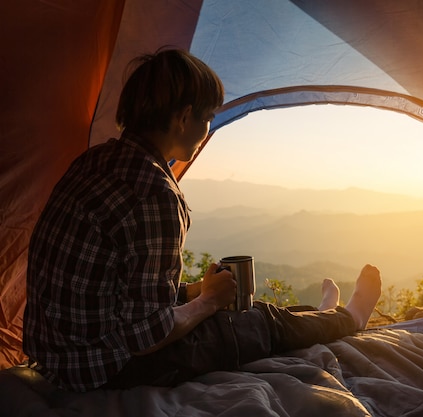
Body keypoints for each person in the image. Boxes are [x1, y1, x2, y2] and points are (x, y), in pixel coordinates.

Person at [22, 48, 382, 392]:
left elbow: (120, 289)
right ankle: (351, 319)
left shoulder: (94, 161)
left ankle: (321, 318)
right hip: (102, 368)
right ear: (182, 119)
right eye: (207, 117)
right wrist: (207, 303)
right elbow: (146, 336)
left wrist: (196, 292)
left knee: (243, 308)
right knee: (256, 320)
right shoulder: (153, 192)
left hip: (56, 355)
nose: (208, 128)